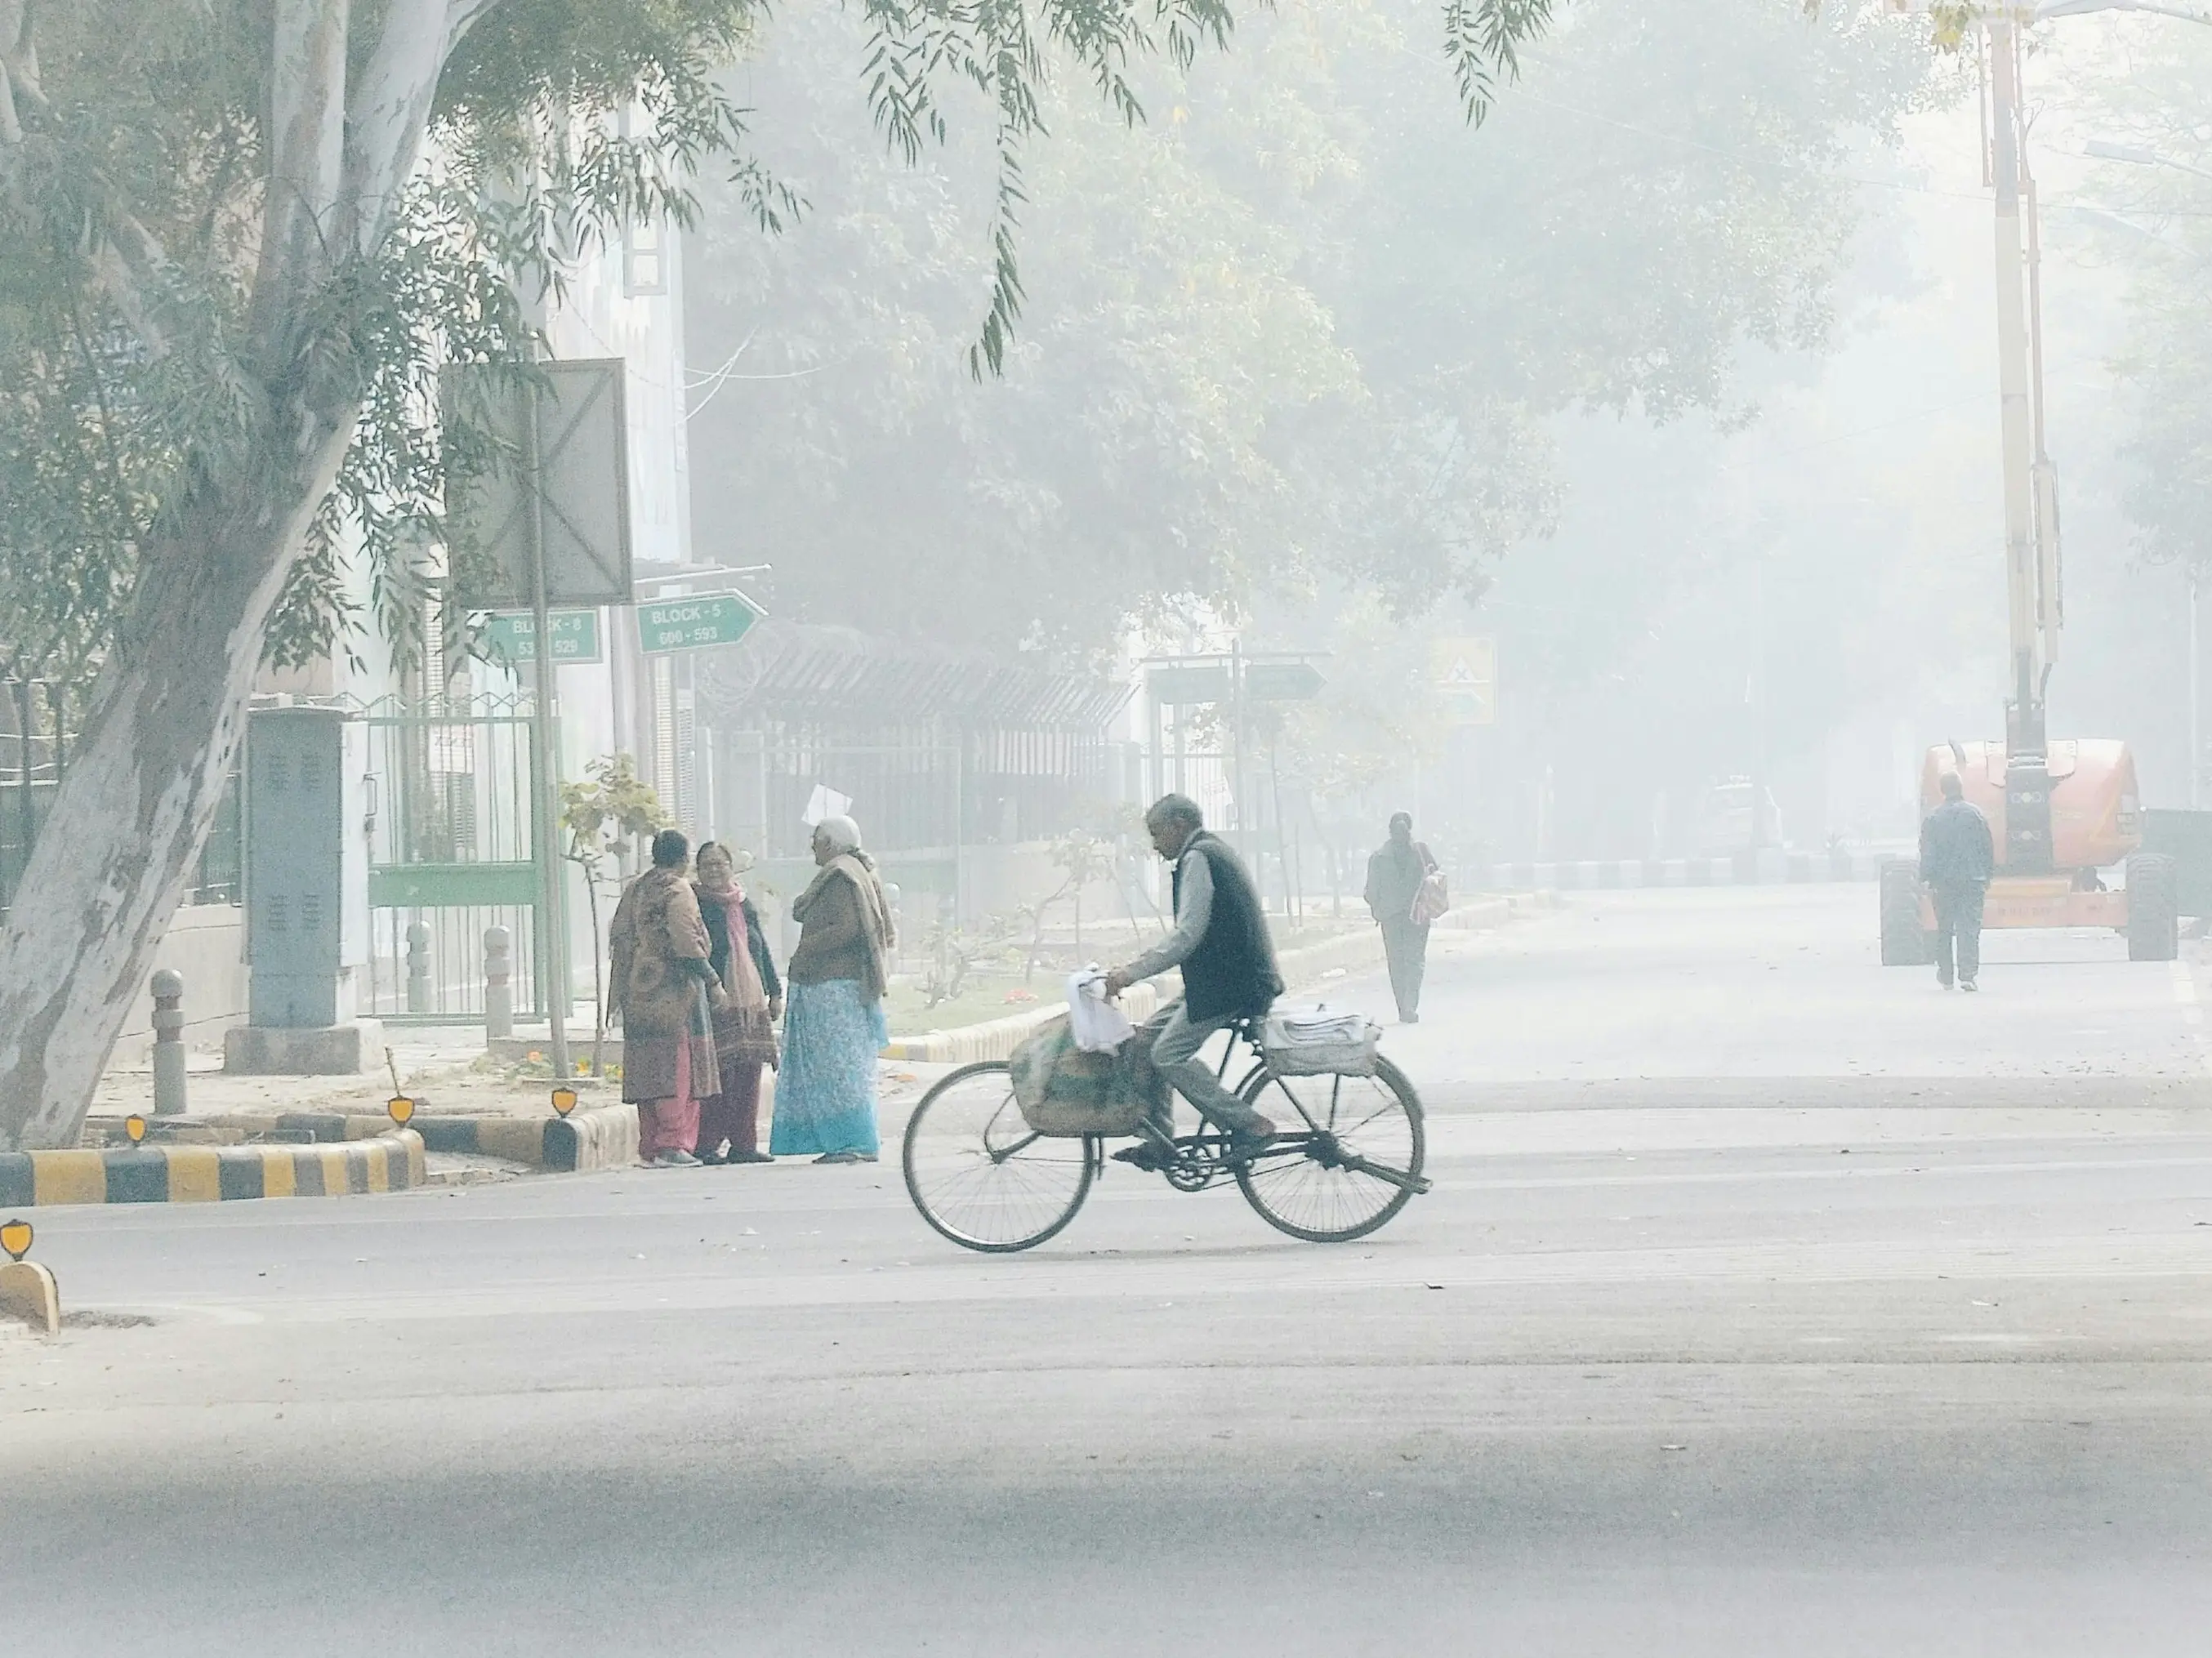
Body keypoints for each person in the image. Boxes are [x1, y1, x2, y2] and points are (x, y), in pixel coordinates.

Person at [1102, 795, 1285, 1165]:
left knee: (1168, 1055)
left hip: (1234, 983)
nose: (1154, 845)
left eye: (1157, 833)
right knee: (1144, 1042)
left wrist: (1130, 973)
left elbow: (1187, 935)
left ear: (1179, 825)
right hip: (1220, 980)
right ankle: (1159, 1141)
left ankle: (1250, 1124)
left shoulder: (1199, 857)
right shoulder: (1209, 851)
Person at [771, 814, 897, 1165]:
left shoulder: (842, 876)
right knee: (845, 1065)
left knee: (839, 1069)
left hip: (833, 985)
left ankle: (851, 1140)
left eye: (816, 838)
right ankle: (852, 1139)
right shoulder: (854, 870)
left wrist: (808, 947)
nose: (812, 845)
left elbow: (847, 928)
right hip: (839, 983)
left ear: (830, 842)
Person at [608, 828, 720, 1167]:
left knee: (646, 1065)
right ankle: (673, 1142)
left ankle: (650, 1145)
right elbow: (686, 939)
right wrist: (713, 981)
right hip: (675, 993)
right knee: (678, 1066)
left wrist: (620, 993)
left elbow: (620, 937)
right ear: (684, 859)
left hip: (638, 991)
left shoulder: (636, 888)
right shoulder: (678, 888)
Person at [692, 840, 783, 1166]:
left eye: (720, 864)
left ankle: (744, 1144)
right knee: (718, 1073)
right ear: (698, 872)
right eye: (707, 866)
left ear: (731, 867)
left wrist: (775, 992)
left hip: (750, 1001)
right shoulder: (697, 905)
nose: (715, 870)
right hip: (716, 999)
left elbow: (762, 949)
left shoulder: (745, 905)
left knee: (748, 1072)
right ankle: (707, 1144)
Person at [1920, 769, 1995, 992]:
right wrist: (1987, 875)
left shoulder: (1933, 818)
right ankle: (1968, 975)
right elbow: (1987, 848)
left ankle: (1946, 975)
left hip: (1943, 883)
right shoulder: (1976, 815)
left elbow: (1927, 852)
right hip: (1972, 880)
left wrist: (1925, 878)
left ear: (1942, 791)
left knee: (1944, 929)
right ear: (1961, 788)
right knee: (1969, 928)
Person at [1364, 812, 1442, 1023]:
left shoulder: (1378, 857)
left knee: (1397, 962)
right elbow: (1437, 878)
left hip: (1391, 917)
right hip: (1417, 916)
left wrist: (1379, 908)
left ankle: (1404, 1007)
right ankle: (1409, 1006)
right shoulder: (1421, 851)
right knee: (1414, 961)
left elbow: (1370, 892)